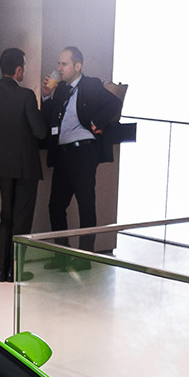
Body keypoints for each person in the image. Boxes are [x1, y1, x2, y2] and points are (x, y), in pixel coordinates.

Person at [41, 45, 122, 264]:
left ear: (78, 66)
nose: (59, 68)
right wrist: (47, 96)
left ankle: (85, 256)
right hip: (64, 153)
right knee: (56, 206)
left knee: (86, 204)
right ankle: (63, 254)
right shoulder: (62, 90)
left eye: (64, 64)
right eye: (58, 63)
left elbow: (114, 102)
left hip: (83, 152)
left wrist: (98, 123)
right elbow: (48, 119)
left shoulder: (90, 84)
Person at [0, 48, 45, 282]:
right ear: (18, 69)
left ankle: (1, 270)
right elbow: (40, 131)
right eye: (23, 67)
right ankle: (16, 269)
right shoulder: (26, 96)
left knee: (6, 215)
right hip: (24, 164)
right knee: (22, 218)